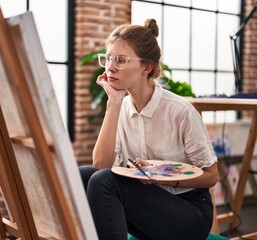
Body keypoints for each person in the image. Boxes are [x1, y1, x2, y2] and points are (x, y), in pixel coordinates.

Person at [79, 19, 219, 240]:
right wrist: (113, 103)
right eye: (107, 58)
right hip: (148, 211)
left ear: (147, 67)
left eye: (121, 60)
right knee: (84, 176)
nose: (110, 67)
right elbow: (101, 164)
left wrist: (161, 176)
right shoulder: (121, 106)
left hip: (189, 214)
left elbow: (211, 176)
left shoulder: (180, 111)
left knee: (103, 181)